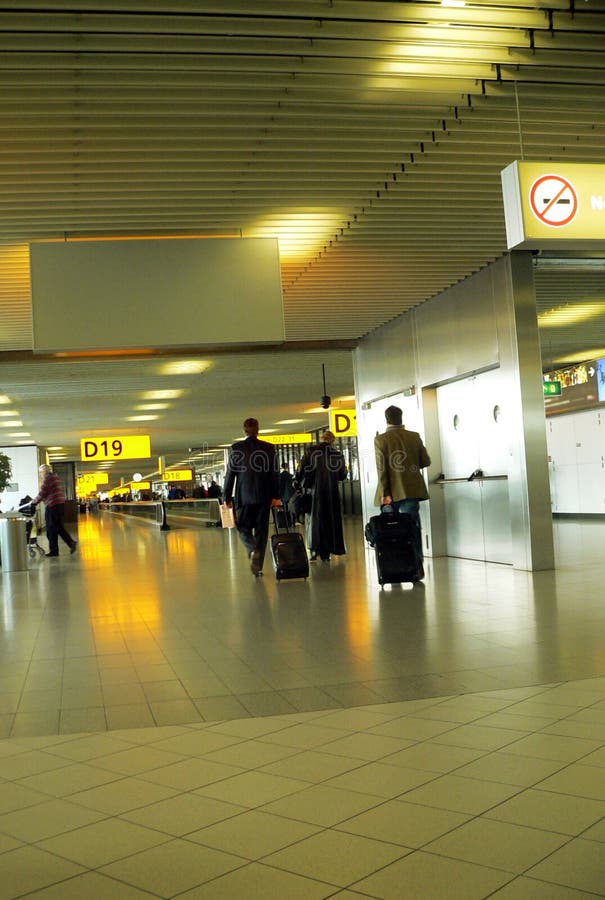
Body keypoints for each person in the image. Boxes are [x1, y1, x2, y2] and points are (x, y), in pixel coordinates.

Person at [374, 404, 431, 580]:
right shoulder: (414, 436)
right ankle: (416, 566)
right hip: (411, 491)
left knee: (390, 532)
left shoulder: (380, 439)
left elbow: (381, 469)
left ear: (387, 419)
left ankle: (393, 565)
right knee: (411, 529)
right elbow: (425, 461)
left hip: (389, 494)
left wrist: (386, 493)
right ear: (401, 417)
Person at [223, 417, 281, 576]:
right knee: (262, 531)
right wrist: (276, 495)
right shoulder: (269, 448)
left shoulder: (236, 449)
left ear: (244, 431)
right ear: (258, 430)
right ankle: (258, 568)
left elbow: (230, 475)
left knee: (242, 527)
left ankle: (252, 549)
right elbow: (274, 474)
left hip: (244, 496)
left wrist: (226, 497)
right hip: (264, 496)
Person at [295, 430, 347, 561]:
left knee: (313, 520)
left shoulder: (310, 452)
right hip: (331, 493)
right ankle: (327, 552)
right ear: (332, 441)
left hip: (313, 493)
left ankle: (314, 549)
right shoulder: (337, 455)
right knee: (331, 520)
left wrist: (297, 483)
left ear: (322, 439)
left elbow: (300, 471)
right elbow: (342, 475)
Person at [31, 464, 77, 558]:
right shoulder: (54, 477)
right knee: (58, 527)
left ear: (45, 471)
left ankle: (54, 551)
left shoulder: (48, 478)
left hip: (53, 506)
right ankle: (71, 543)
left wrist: (34, 502)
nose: (40, 474)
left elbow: (43, 492)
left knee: (51, 530)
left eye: (41, 472)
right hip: (59, 505)